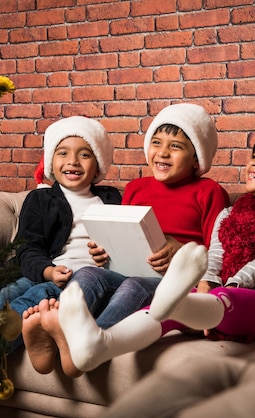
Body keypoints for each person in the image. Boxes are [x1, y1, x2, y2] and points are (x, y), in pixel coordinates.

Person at [48, 130, 255, 373]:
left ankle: (181, 300)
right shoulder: (228, 214)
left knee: (201, 301)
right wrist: (206, 283)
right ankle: (98, 346)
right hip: (215, 298)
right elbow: (214, 256)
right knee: (167, 312)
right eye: (253, 156)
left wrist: (222, 289)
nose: (253, 163)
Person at [21, 103, 230, 376]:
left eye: (176, 147)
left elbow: (218, 250)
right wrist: (102, 250)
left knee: (133, 285)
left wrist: (180, 250)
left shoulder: (209, 191)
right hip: (124, 270)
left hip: (171, 284)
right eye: (156, 142)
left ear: (196, 158)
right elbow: (118, 232)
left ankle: (84, 346)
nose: (163, 152)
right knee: (88, 274)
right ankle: (59, 331)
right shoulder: (135, 188)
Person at [0, 115, 120, 418]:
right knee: (3, 297)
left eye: (84, 154)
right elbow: (27, 248)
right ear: (51, 161)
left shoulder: (113, 200)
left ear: (98, 163)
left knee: (26, 302)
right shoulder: (41, 199)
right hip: (45, 270)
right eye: (62, 153)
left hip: (82, 279)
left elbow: (124, 246)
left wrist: (107, 253)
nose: (72, 161)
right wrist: (47, 270)